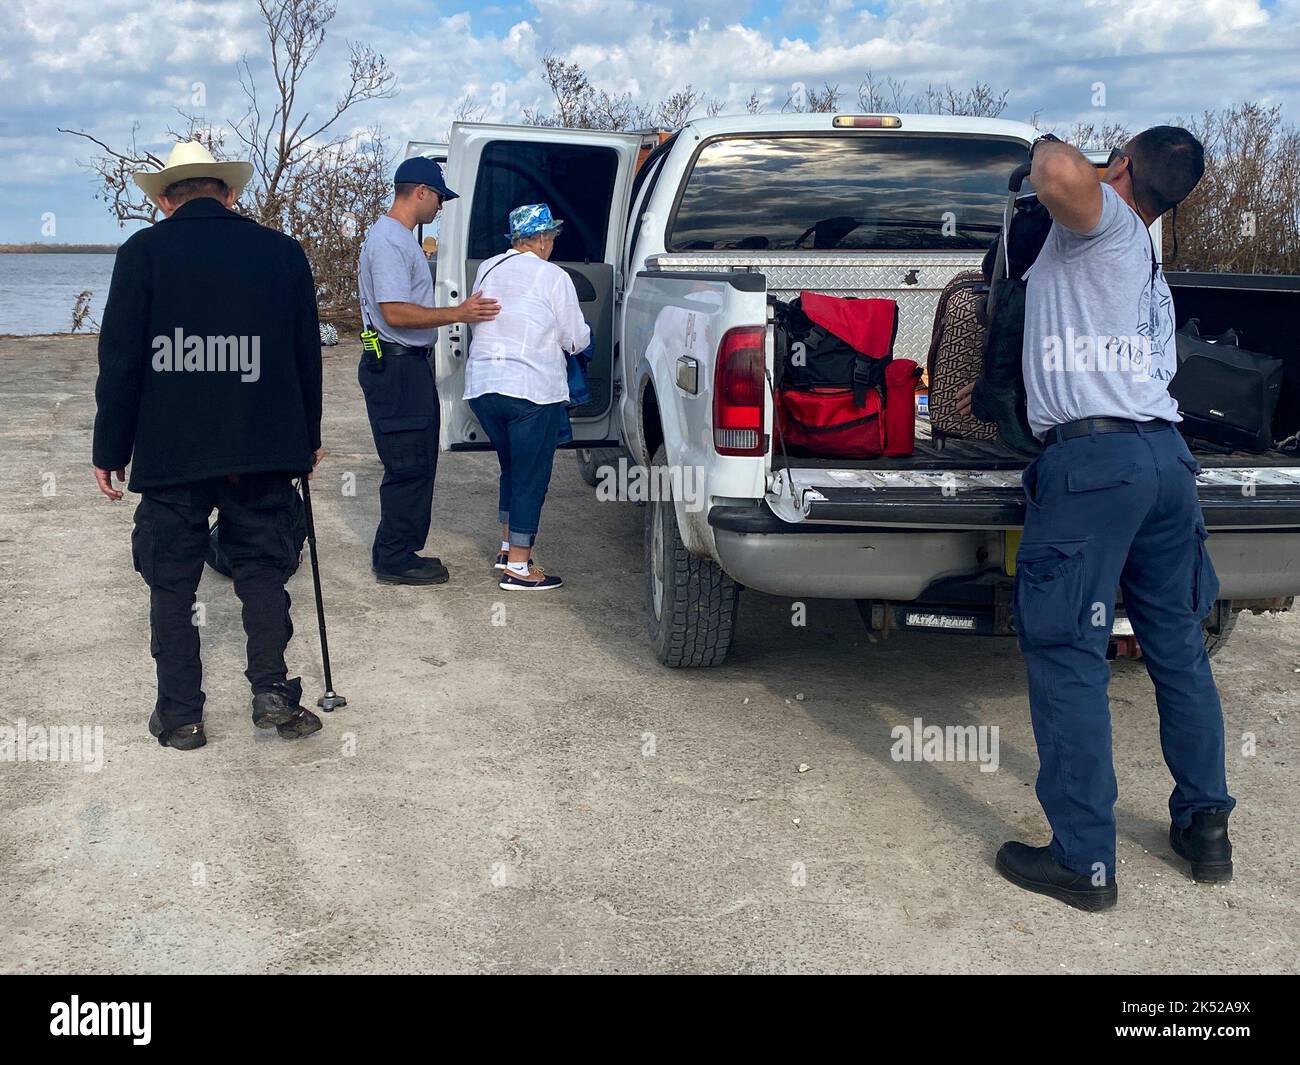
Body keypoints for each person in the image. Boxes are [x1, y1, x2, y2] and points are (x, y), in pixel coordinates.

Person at [973, 128, 1233, 910]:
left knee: (1069, 652)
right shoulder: (1149, 264)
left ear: (1120, 165)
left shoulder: (1105, 224)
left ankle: (1084, 860)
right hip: (1164, 464)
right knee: (1180, 649)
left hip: (1095, 468)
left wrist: (1052, 141)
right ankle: (1205, 827)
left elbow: (1053, 170)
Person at [92, 141, 325, 751]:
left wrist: (109, 448)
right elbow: (306, 355)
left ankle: (181, 717)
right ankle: (272, 692)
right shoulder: (282, 253)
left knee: (171, 582)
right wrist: (309, 440)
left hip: (174, 452)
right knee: (262, 571)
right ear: (229, 194)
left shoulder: (142, 252)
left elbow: (119, 361)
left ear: (166, 199)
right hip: (265, 444)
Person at [357, 157, 500, 585]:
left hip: (399, 364)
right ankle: (394, 557)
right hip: (397, 366)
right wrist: (459, 312)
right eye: (439, 197)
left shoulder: (398, 239)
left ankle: (399, 549)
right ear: (420, 191)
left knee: (415, 460)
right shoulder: (389, 241)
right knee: (408, 464)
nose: (440, 207)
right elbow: (395, 312)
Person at [465, 204, 590, 591]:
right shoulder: (553, 276)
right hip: (531, 391)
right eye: (550, 237)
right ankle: (519, 568)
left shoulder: (487, 268)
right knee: (531, 477)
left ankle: (507, 546)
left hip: (484, 387)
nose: (551, 244)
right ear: (537, 239)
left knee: (512, 469)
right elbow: (574, 337)